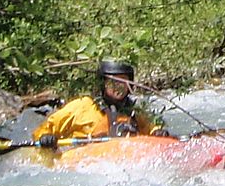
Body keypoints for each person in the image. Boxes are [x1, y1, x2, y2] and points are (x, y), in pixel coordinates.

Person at [33, 58, 164, 149]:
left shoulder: (134, 112)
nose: (119, 87)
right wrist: (45, 137)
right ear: (103, 83)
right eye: (113, 82)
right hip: (84, 160)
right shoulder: (82, 106)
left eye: (123, 81)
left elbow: (150, 130)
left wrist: (158, 133)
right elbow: (45, 129)